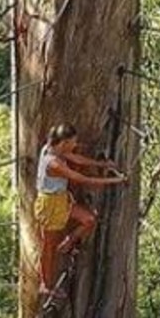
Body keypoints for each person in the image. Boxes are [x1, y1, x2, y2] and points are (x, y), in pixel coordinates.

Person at [34, 123, 128, 297]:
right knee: (49, 247)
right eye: (72, 143)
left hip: (61, 200)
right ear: (63, 143)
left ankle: (69, 241)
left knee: (89, 220)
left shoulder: (53, 148)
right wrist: (114, 182)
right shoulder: (53, 163)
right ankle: (45, 285)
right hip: (50, 205)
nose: (75, 146)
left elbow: (77, 159)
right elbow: (82, 179)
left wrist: (103, 164)